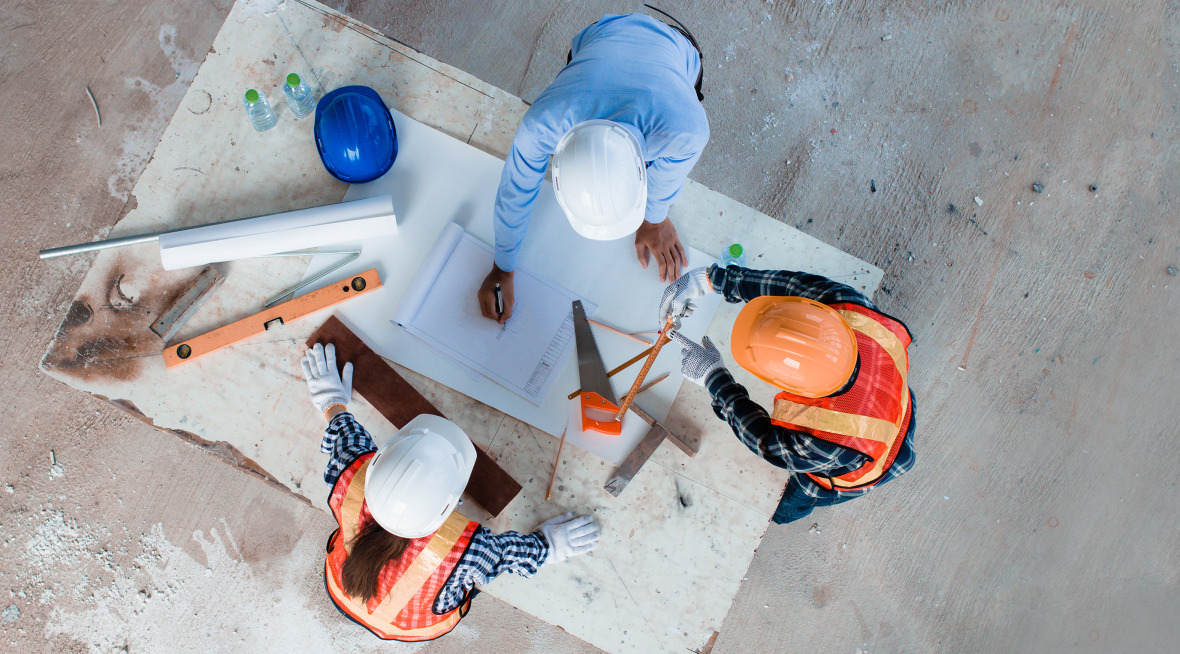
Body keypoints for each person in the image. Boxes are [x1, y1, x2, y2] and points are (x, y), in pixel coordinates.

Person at [300, 343, 600, 641]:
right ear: (451, 506)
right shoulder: (463, 550)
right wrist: (547, 546)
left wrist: (331, 402)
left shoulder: (350, 478)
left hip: (341, 588)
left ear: (378, 461)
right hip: (411, 627)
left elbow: (345, 439)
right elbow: (505, 556)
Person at [478, 11, 710, 323]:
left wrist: (654, 220)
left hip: (675, 47)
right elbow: (515, 191)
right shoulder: (543, 124)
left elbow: (667, 176)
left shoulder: (684, 130)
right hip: (601, 35)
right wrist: (502, 268)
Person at [659, 265, 916, 524]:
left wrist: (713, 378)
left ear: (796, 388)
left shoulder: (824, 441)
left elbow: (764, 440)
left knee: (789, 503)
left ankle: (783, 515)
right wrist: (708, 280)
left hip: (869, 464)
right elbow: (790, 286)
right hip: (895, 399)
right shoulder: (846, 307)